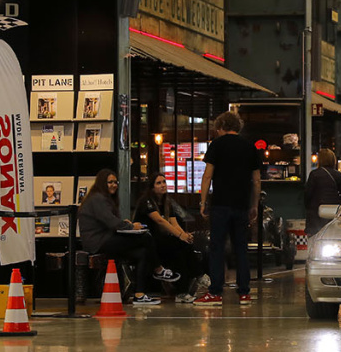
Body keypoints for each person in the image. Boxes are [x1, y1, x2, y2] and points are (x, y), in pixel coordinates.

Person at [78, 168, 177, 305]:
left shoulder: (102, 198)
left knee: (142, 253)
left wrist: (125, 224)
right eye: (110, 182)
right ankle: (158, 269)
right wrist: (131, 227)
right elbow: (111, 222)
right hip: (99, 242)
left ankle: (139, 295)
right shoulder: (97, 198)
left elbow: (110, 221)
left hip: (105, 239)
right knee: (145, 237)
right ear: (102, 183)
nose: (114, 185)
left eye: (115, 182)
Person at [198, 111, 262, 303]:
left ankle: (215, 292)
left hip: (220, 204)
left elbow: (207, 176)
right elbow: (257, 181)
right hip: (241, 205)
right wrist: (254, 205)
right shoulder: (250, 147)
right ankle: (244, 292)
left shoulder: (217, 145)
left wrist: (203, 202)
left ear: (222, 126)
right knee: (241, 248)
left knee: (217, 248)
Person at [133, 173, 208, 302]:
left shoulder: (167, 202)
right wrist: (180, 236)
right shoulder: (147, 202)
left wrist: (184, 235)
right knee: (180, 244)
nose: (163, 185)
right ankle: (198, 275)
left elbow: (174, 223)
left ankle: (183, 291)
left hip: (161, 240)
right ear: (152, 187)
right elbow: (161, 221)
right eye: (159, 183)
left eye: (164, 182)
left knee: (183, 247)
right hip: (147, 242)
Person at [305, 149, 341, 235]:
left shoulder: (314, 174)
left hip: (316, 213)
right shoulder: (338, 175)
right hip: (333, 212)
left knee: (316, 237)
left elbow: (308, 195)